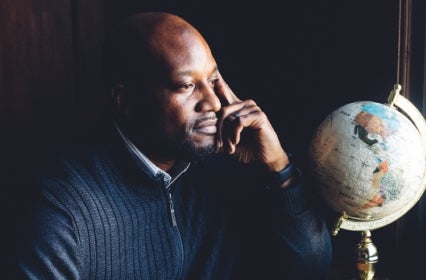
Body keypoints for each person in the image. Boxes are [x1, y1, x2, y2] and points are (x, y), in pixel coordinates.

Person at [14, 12, 333, 279]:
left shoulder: (224, 163)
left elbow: (310, 269)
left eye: (212, 80)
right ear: (125, 100)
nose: (211, 102)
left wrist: (278, 170)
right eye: (186, 86)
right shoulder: (60, 210)